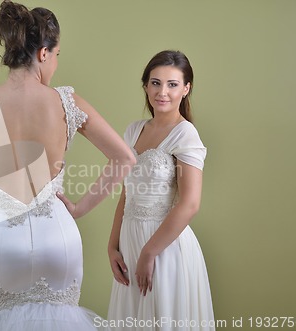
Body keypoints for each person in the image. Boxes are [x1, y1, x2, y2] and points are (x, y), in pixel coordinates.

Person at [0, 1, 135, 330]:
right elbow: (125, 158)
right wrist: (79, 208)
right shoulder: (65, 101)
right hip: (56, 235)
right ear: (43, 53)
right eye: (56, 56)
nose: (54, 64)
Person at [107, 50, 215, 330]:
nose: (162, 92)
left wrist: (149, 252)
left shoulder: (185, 134)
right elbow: (126, 192)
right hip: (131, 242)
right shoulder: (133, 131)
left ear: (186, 88)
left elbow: (189, 204)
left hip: (164, 246)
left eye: (172, 84)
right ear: (145, 85)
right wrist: (112, 245)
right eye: (155, 83)